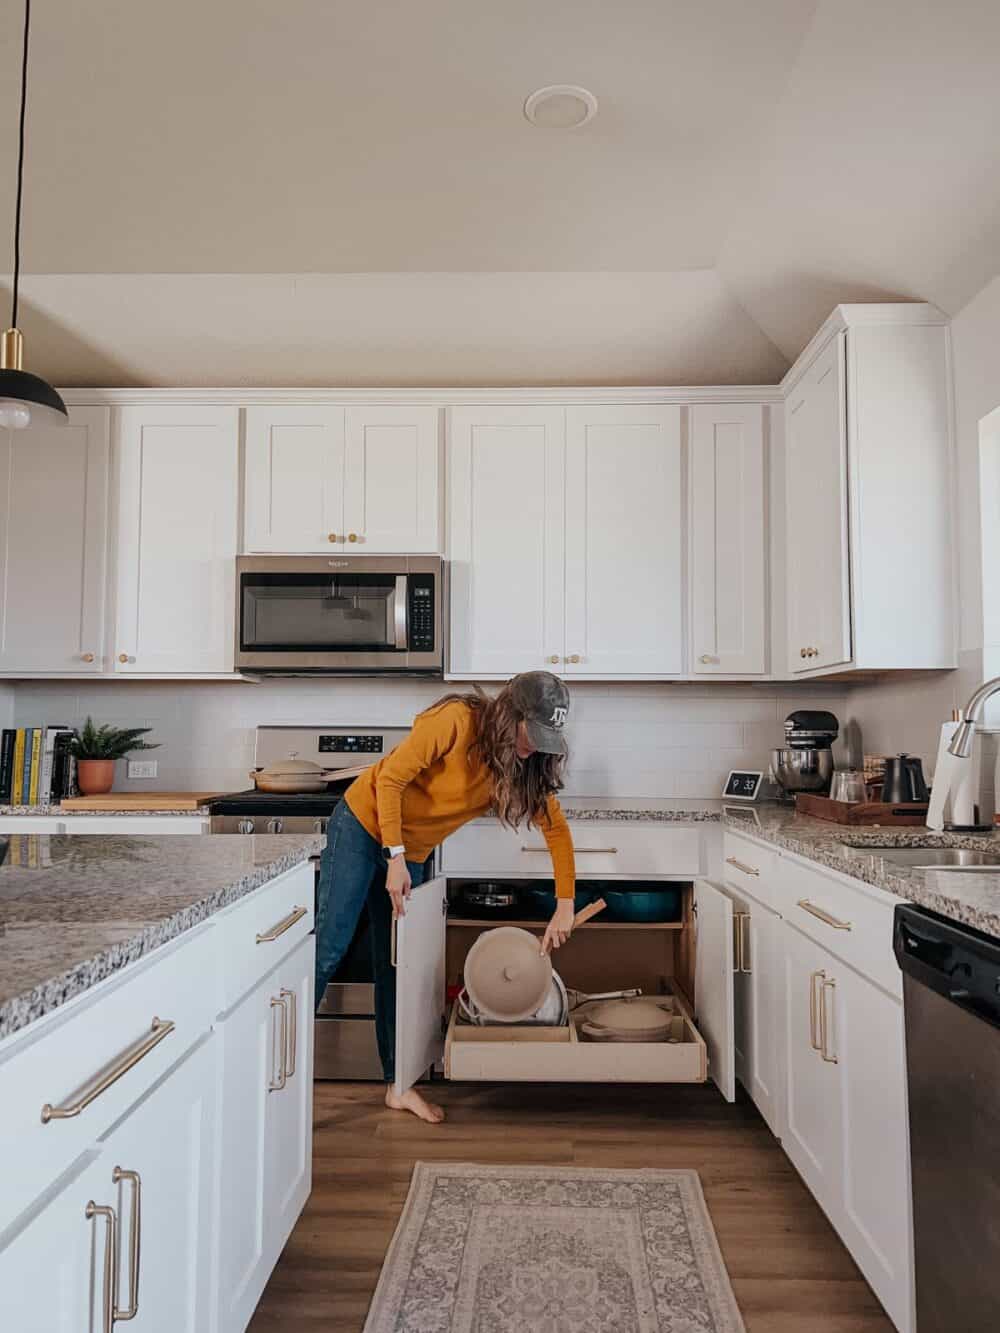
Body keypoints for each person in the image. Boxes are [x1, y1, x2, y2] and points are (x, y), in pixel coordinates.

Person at [313, 671, 577, 1123]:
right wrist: (394, 858)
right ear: (508, 714)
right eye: (530, 733)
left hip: (409, 851)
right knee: (328, 950)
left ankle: (397, 1086)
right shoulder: (456, 721)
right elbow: (391, 779)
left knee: (395, 966)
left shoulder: (521, 765)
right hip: (362, 825)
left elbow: (556, 830)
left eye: (544, 738)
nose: (534, 746)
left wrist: (566, 903)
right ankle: (274, 1079)